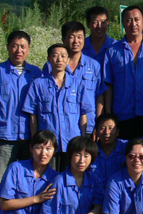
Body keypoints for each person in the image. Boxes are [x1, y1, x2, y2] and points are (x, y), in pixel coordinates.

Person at [0, 30, 42, 191]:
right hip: (4, 137)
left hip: (29, 138)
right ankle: (2, 208)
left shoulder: (36, 73)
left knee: (29, 180)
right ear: (8, 47)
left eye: (23, 46)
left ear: (28, 49)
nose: (18, 50)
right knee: (3, 181)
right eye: (15, 46)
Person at [22, 43, 92, 171]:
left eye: (63, 56)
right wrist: (35, 140)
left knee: (70, 176)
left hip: (72, 142)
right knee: (48, 177)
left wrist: (82, 140)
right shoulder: (38, 84)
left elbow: (83, 114)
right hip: (47, 144)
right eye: (55, 56)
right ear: (49, 59)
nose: (59, 59)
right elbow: (33, 115)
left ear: (68, 59)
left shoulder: (78, 84)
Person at [103, 5, 143, 139]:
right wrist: (108, 114)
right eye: (129, 20)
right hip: (123, 115)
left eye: (137, 19)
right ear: (123, 23)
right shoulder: (112, 52)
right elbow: (108, 85)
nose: (133, 24)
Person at [56, 20, 105, 133]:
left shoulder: (94, 66)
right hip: (62, 127)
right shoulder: (52, 66)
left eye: (79, 37)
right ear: (63, 39)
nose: (76, 41)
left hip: (89, 126)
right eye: (71, 37)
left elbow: (99, 96)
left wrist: (98, 123)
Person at [91, 113, 128, 211]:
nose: (107, 132)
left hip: (122, 200)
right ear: (96, 131)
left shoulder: (127, 148)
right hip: (95, 199)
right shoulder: (90, 151)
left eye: (111, 128)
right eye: (102, 128)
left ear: (118, 131)